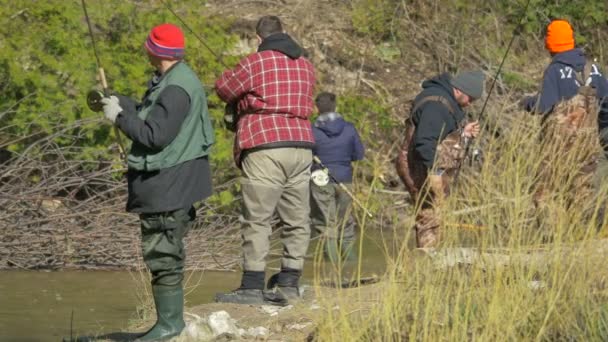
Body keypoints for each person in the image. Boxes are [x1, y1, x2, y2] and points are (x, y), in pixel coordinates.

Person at [100, 23, 215, 340]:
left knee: (164, 255)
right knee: (164, 254)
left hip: (168, 186)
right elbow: (154, 114)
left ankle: (169, 326)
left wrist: (120, 118)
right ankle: (166, 324)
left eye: (147, 44)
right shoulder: (174, 79)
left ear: (154, 50)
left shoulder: (177, 88)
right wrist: (122, 102)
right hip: (171, 183)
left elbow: (155, 135)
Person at [214, 15, 316, 304]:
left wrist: (243, 97)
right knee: (297, 219)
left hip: (265, 144)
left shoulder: (255, 62)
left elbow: (224, 89)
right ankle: (289, 282)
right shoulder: (306, 65)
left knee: (257, 218)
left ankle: (252, 285)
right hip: (302, 145)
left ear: (259, 38)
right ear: (285, 33)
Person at [396, 70, 484, 248]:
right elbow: (425, 142)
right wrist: (435, 172)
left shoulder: (445, 101)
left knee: (435, 213)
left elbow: (441, 135)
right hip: (421, 166)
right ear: (459, 90)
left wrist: (463, 133)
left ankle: (433, 258)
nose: (470, 104)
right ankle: (427, 261)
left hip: (428, 165)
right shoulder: (436, 105)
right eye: (470, 99)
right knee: (429, 215)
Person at [309, 92, 364, 263]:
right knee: (346, 222)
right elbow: (359, 155)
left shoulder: (310, 130)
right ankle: (351, 265)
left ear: (316, 109)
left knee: (326, 224)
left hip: (320, 180)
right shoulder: (349, 128)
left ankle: (332, 267)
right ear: (336, 107)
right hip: (345, 178)